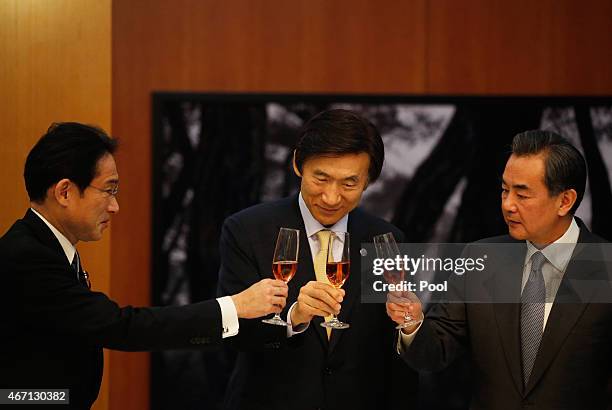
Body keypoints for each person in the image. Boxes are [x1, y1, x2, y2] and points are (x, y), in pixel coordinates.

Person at [0, 122, 288, 410]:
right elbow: (120, 327)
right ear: (65, 192)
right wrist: (234, 307)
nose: (115, 207)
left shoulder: (46, 246)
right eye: (108, 190)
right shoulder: (28, 256)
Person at [387, 130, 612, 409]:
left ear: (565, 201)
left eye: (522, 194)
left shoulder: (606, 266)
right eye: (505, 190)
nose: (507, 205)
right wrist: (411, 322)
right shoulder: (482, 258)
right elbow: (434, 351)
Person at [217, 109, 416, 410]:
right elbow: (232, 335)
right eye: (320, 178)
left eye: (349, 184)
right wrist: (292, 320)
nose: (331, 197)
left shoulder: (386, 240)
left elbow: (394, 354)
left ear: (369, 180)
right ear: (298, 163)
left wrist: (410, 324)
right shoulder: (246, 230)